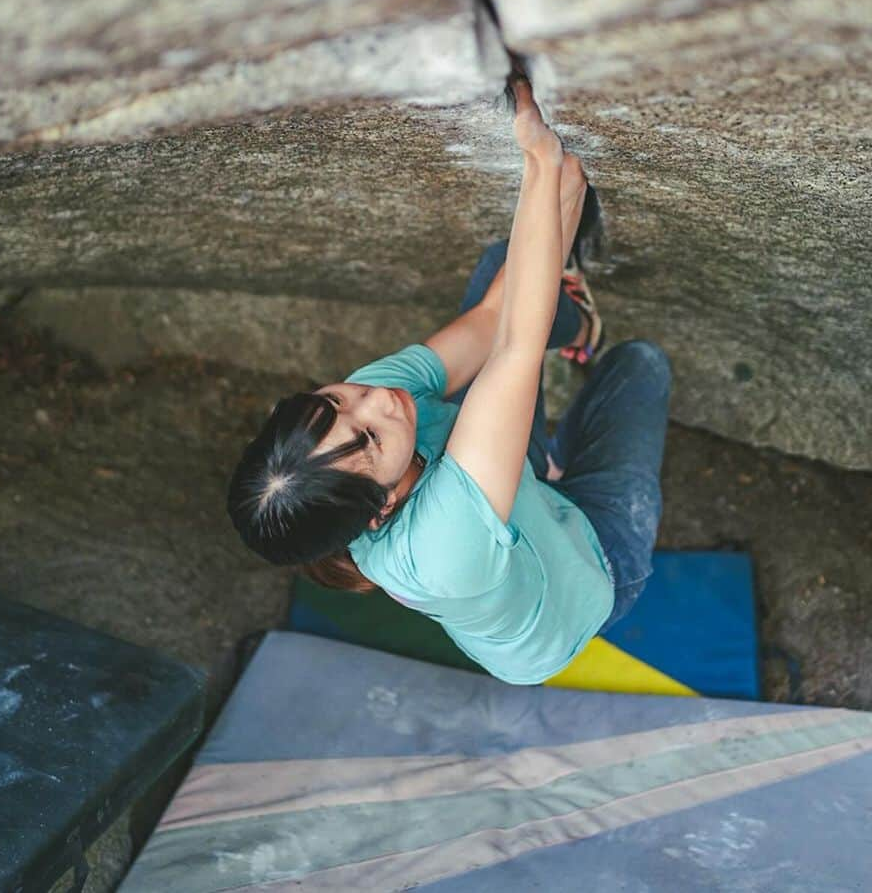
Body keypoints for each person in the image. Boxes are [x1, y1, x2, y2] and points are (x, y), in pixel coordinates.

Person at [226, 74, 673, 684]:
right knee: (639, 364)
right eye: (369, 438)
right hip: (594, 566)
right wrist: (541, 162)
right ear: (379, 510)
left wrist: (561, 188)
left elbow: (493, 319)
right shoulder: (442, 548)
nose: (378, 400)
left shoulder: (368, 411)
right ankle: (559, 457)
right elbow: (514, 346)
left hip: (512, 488)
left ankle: (571, 346)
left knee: (507, 267)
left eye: (336, 400)